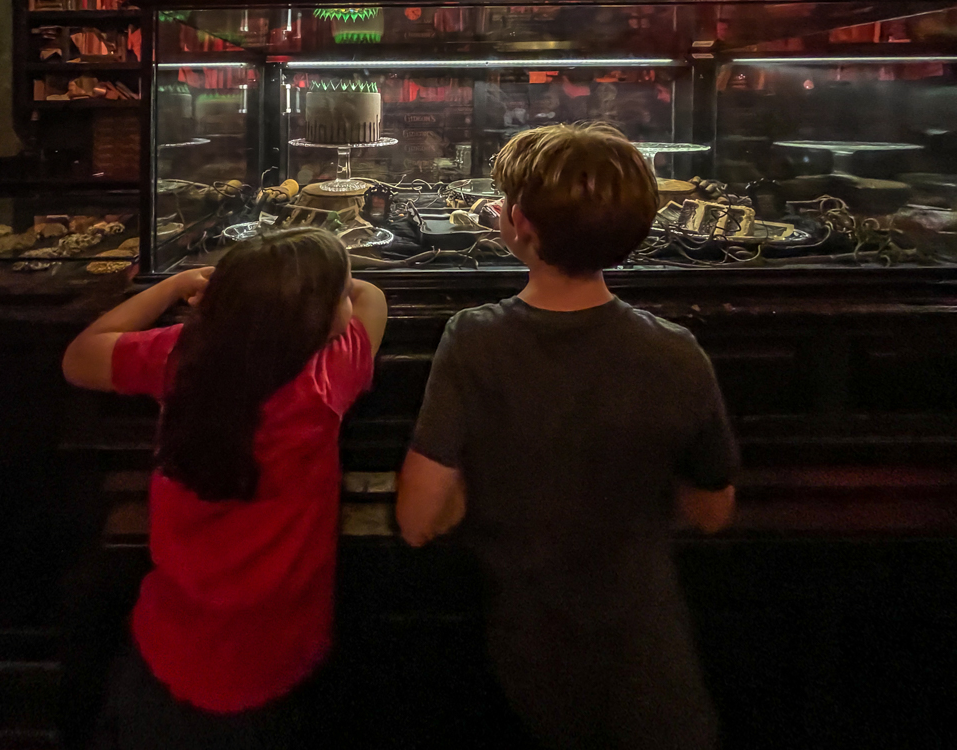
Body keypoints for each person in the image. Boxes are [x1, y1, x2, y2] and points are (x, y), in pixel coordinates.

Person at [396, 123, 738, 750]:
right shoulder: (676, 352)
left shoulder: (473, 339)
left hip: (525, 657)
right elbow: (712, 511)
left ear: (516, 222)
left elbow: (418, 518)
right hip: (651, 662)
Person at [62, 227, 387, 750]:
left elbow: (79, 357)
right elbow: (374, 299)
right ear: (320, 320)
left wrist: (172, 287)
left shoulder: (180, 356)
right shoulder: (328, 380)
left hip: (166, 652)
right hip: (279, 662)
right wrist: (343, 286)